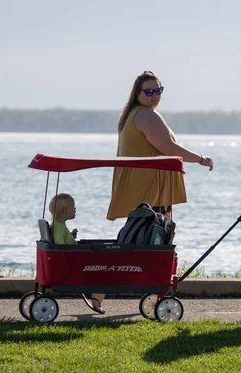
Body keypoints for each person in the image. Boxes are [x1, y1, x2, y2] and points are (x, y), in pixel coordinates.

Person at [107, 71, 214, 221]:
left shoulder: (132, 114)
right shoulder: (146, 115)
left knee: (142, 234)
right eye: (149, 92)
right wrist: (201, 159)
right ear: (137, 94)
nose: (155, 96)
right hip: (151, 192)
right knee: (156, 235)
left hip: (141, 191)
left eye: (158, 90)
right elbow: (170, 149)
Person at [49, 193, 106, 314]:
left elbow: (62, 240)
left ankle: (96, 300)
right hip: (71, 265)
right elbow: (61, 247)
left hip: (71, 262)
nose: (75, 209)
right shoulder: (58, 227)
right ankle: (97, 302)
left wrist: (70, 236)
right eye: (73, 206)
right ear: (64, 210)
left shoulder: (58, 225)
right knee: (102, 272)